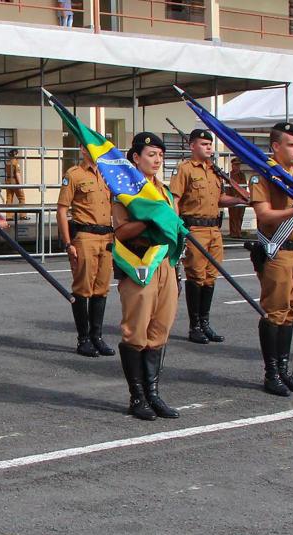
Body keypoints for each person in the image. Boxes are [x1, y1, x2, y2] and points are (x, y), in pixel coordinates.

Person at [113, 132, 179, 420]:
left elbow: (174, 229)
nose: (157, 160)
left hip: (164, 264)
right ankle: (137, 396)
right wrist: (148, 219)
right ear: (136, 158)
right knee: (136, 331)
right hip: (140, 264)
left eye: (161, 155)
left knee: (160, 329)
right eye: (151, 154)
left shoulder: (164, 193)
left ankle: (153, 393)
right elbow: (121, 231)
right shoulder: (126, 192)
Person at [249, 122, 293, 397]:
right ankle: (272, 373)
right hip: (279, 251)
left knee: (291, 312)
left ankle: (285, 370)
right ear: (276, 147)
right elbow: (263, 215)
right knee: (275, 312)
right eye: (291, 145)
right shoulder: (264, 176)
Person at [169, 130, 242, 344]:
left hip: (214, 230)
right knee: (196, 276)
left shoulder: (214, 170)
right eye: (203, 144)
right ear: (192, 146)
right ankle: (195, 326)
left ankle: (205, 323)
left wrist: (240, 199)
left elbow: (219, 199)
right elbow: (175, 199)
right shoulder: (185, 169)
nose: (209, 147)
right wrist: (178, 228)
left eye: (210, 144)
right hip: (195, 229)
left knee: (211, 277)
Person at [57, 148, 115, 358]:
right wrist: (67, 243)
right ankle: (83, 339)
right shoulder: (74, 174)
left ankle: (96, 337)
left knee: (102, 289)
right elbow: (62, 209)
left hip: (107, 237)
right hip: (85, 236)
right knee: (83, 289)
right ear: (82, 149)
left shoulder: (107, 173)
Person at [4, 148, 28, 219]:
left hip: (8, 181)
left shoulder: (7, 162)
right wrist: (20, 185)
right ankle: (23, 215)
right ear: (15, 154)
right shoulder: (16, 163)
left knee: (9, 199)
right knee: (21, 198)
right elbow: (17, 174)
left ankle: (9, 216)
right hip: (14, 181)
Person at [227, 157, 248, 238]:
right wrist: (230, 198)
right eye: (235, 165)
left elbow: (244, 186)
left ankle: (238, 232)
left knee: (240, 216)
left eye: (238, 165)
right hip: (233, 198)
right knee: (233, 216)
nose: (237, 167)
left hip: (241, 198)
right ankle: (233, 233)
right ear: (232, 165)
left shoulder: (242, 175)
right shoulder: (229, 175)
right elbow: (227, 188)